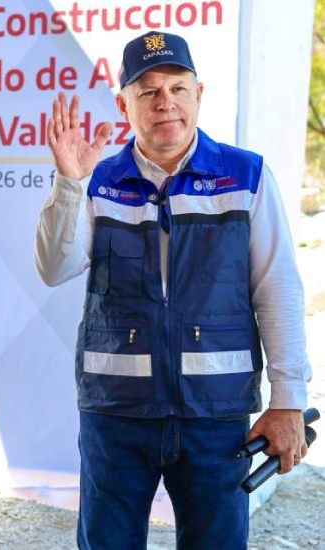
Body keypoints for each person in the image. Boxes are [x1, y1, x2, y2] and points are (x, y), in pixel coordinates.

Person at [35, 31, 312, 548]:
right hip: (116, 416)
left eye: (178, 89)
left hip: (217, 417)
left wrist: (288, 400)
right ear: (124, 105)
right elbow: (54, 268)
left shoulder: (244, 176)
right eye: (148, 92)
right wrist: (69, 184)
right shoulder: (96, 180)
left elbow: (277, 289)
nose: (166, 103)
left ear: (198, 95)